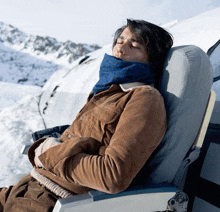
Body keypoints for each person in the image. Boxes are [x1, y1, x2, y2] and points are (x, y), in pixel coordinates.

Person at [0, 19, 173, 212]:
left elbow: (113, 175)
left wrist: (50, 154)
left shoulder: (144, 98)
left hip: (54, 200)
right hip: (27, 187)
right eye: (119, 41)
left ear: (152, 59)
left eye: (134, 45)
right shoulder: (106, 91)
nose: (120, 49)